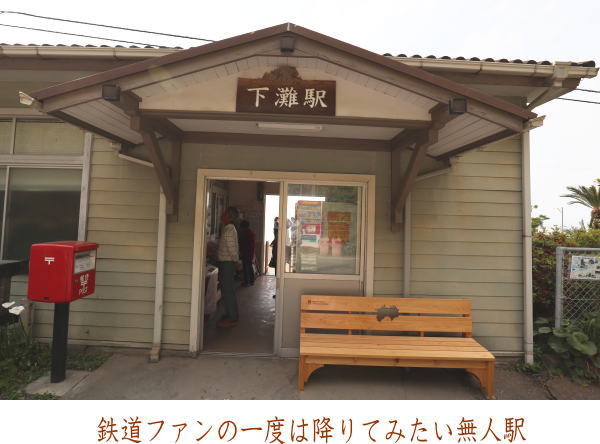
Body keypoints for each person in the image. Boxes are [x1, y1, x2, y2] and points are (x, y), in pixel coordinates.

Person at [217, 206, 240, 327]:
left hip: (228, 264)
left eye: (225, 214)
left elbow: (231, 249)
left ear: (230, 217)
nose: (222, 215)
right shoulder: (228, 228)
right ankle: (230, 314)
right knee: (226, 290)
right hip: (226, 263)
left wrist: (236, 261)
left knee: (227, 291)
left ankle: (232, 317)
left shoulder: (230, 229)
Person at [238, 220, 256, 287]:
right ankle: (251, 281)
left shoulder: (244, 233)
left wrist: (240, 251)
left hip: (245, 253)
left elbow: (241, 243)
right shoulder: (251, 233)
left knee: (246, 268)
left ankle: (247, 282)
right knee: (249, 266)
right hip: (250, 253)